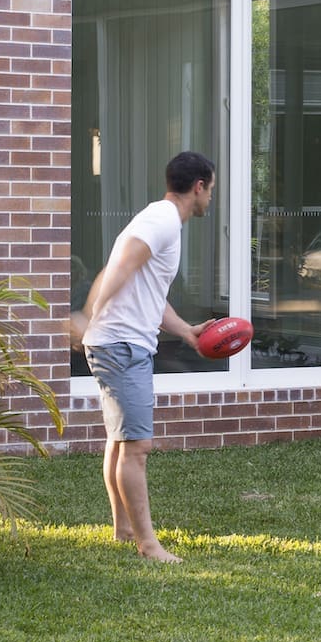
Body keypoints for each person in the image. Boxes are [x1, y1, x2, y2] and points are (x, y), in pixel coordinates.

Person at [78, 151, 216, 563]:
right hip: (121, 344)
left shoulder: (161, 219)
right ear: (199, 186)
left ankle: (123, 529)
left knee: (121, 441)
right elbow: (120, 265)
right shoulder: (162, 221)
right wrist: (89, 313)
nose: (211, 198)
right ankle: (147, 544)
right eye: (212, 189)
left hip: (120, 341)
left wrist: (187, 331)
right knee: (137, 446)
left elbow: (150, 294)